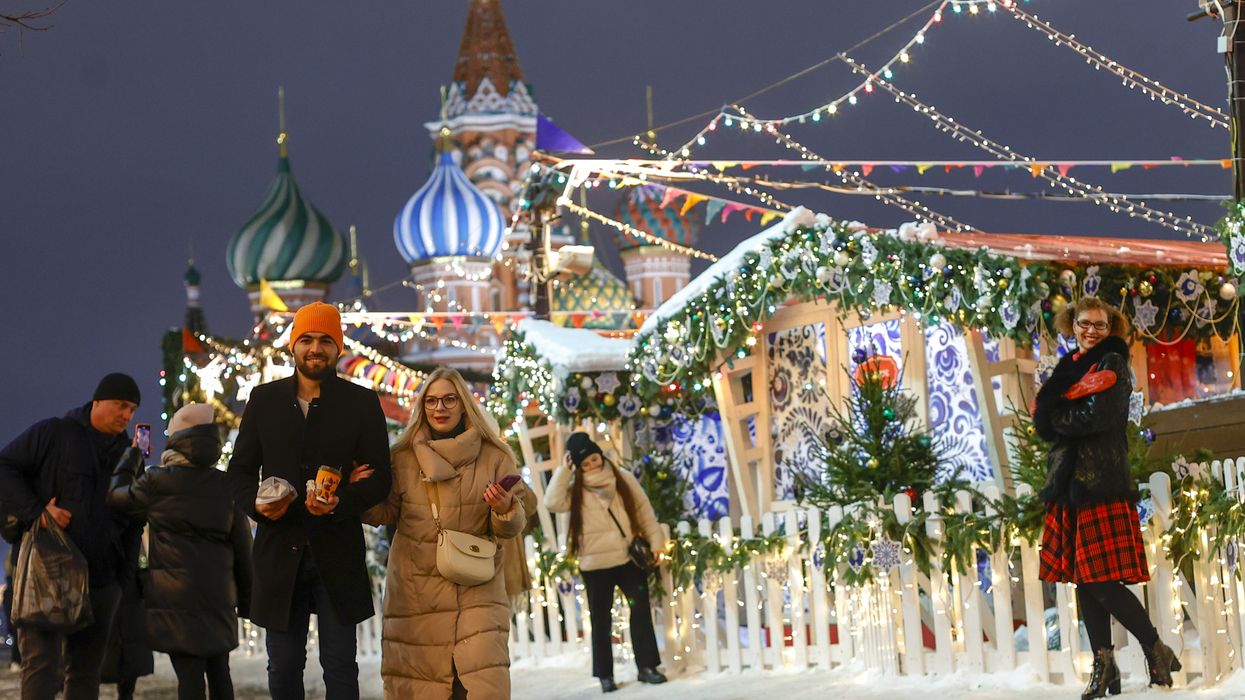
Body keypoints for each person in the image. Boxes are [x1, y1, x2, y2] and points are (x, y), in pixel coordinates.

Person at [227, 302, 392, 700]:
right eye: (306, 339)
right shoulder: (264, 400)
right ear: (292, 345)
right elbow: (239, 473)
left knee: (340, 667)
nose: (315, 348)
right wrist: (257, 505)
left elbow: (380, 480)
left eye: (324, 340)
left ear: (337, 348)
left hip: (336, 552)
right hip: (280, 552)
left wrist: (340, 502)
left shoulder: (360, 403)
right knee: (282, 668)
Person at [1035, 296, 1180, 698]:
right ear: (1073, 324)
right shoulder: (1073, 367)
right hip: (1070, 484)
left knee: (1099, 578)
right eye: (1084, 324)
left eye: (1099, 325)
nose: (1091, 331)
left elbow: (1094, 418)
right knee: (1085, 578)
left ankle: (1154, 647)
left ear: (1110, 328)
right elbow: (1043, 417)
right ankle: (1106, 667)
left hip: (1101, 480)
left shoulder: (1113, 363)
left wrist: (1059, 412)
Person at [363, 367, 526, 699]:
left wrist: (505, 508)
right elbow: (385, 512)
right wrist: (360, 492)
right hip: (416, 591)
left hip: (477, 588)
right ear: (422, 407)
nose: (440, 408)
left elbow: (511, 526)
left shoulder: (494, 456)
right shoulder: (403, 460)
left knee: (478, 683)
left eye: (450, 399)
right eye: (432, 401)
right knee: (424, 686)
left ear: (464, 403)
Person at [0, 372, 145, 700]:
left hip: (103, 581)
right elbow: (4, 466)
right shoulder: (55, 432)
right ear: (97, 402)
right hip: (47, 574)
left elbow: (136, 518)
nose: (127, 415)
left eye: (133, 410)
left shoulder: (129, 455)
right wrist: (36, 511)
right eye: (121, 405)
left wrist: (123, 578)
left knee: (85, 672)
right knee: (41, 668)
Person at [108, 403, 253, 700]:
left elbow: (115, 497)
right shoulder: (226, 486)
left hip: (174, 598)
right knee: (220, 673)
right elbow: (243, 547)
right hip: (218, 596)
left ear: (178, 438)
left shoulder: (157, 480)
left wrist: (133, 453)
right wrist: (248, 601)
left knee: (189, 678)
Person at [544, 433, 667, 693]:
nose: (591, 466)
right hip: (594, 565)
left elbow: (644, 509)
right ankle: (605, 676)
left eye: (593, 459)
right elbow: (551, 502)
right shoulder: (574, 488)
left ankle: (647, 667)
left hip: (627, 559)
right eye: (584, 464)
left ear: (599, 454)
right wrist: (564, 471)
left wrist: (656, 541)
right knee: (601, 621)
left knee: (641, 611)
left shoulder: (622, 477)